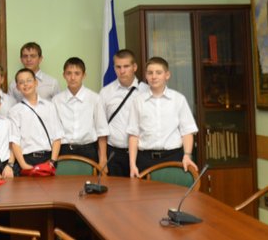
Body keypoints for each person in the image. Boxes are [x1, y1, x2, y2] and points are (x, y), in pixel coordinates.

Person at [128, 57, 199, 178]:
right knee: (145, 191)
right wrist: (132, 164)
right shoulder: (138, 101)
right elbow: (133, 135)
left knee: (173, 190)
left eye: (158, 72)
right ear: (146, 75)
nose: (154, 76)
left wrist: (187, 155)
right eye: (150, 73)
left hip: (173, 157)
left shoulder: (178, 99)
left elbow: (187, 131)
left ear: (167, 75)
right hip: (145, 160)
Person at [97, 49, 148, 177]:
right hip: (114, 154)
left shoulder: (146, 91)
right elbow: (101, 128)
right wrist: (103, 158)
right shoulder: (105, 92)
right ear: (114, 68)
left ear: (134, 67)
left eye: (126, 66)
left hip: (141, 153)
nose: (122, 71)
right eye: (118, 67)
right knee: (115, 189)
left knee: (140, 189)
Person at [53, 57, 106, 163]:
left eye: (77, 73)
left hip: (88, 150)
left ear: (84, 75)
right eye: (69, 73)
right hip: (64, 150)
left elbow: (102, 131)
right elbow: (55, 132)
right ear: (64, 75)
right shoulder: (56, 100)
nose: (73, 78)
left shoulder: (95, 98)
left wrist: (103, 158)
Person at [9, 68, 63, 171]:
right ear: (17, 87)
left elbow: (57, 136)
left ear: (36, 82)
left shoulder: (50, 106)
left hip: (48, 158)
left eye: (29, 80)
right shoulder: (14, 111)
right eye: (21, 82)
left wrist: (53, 161)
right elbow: (15, 141)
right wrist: (23, 165)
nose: (25, 84)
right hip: (27, 159)